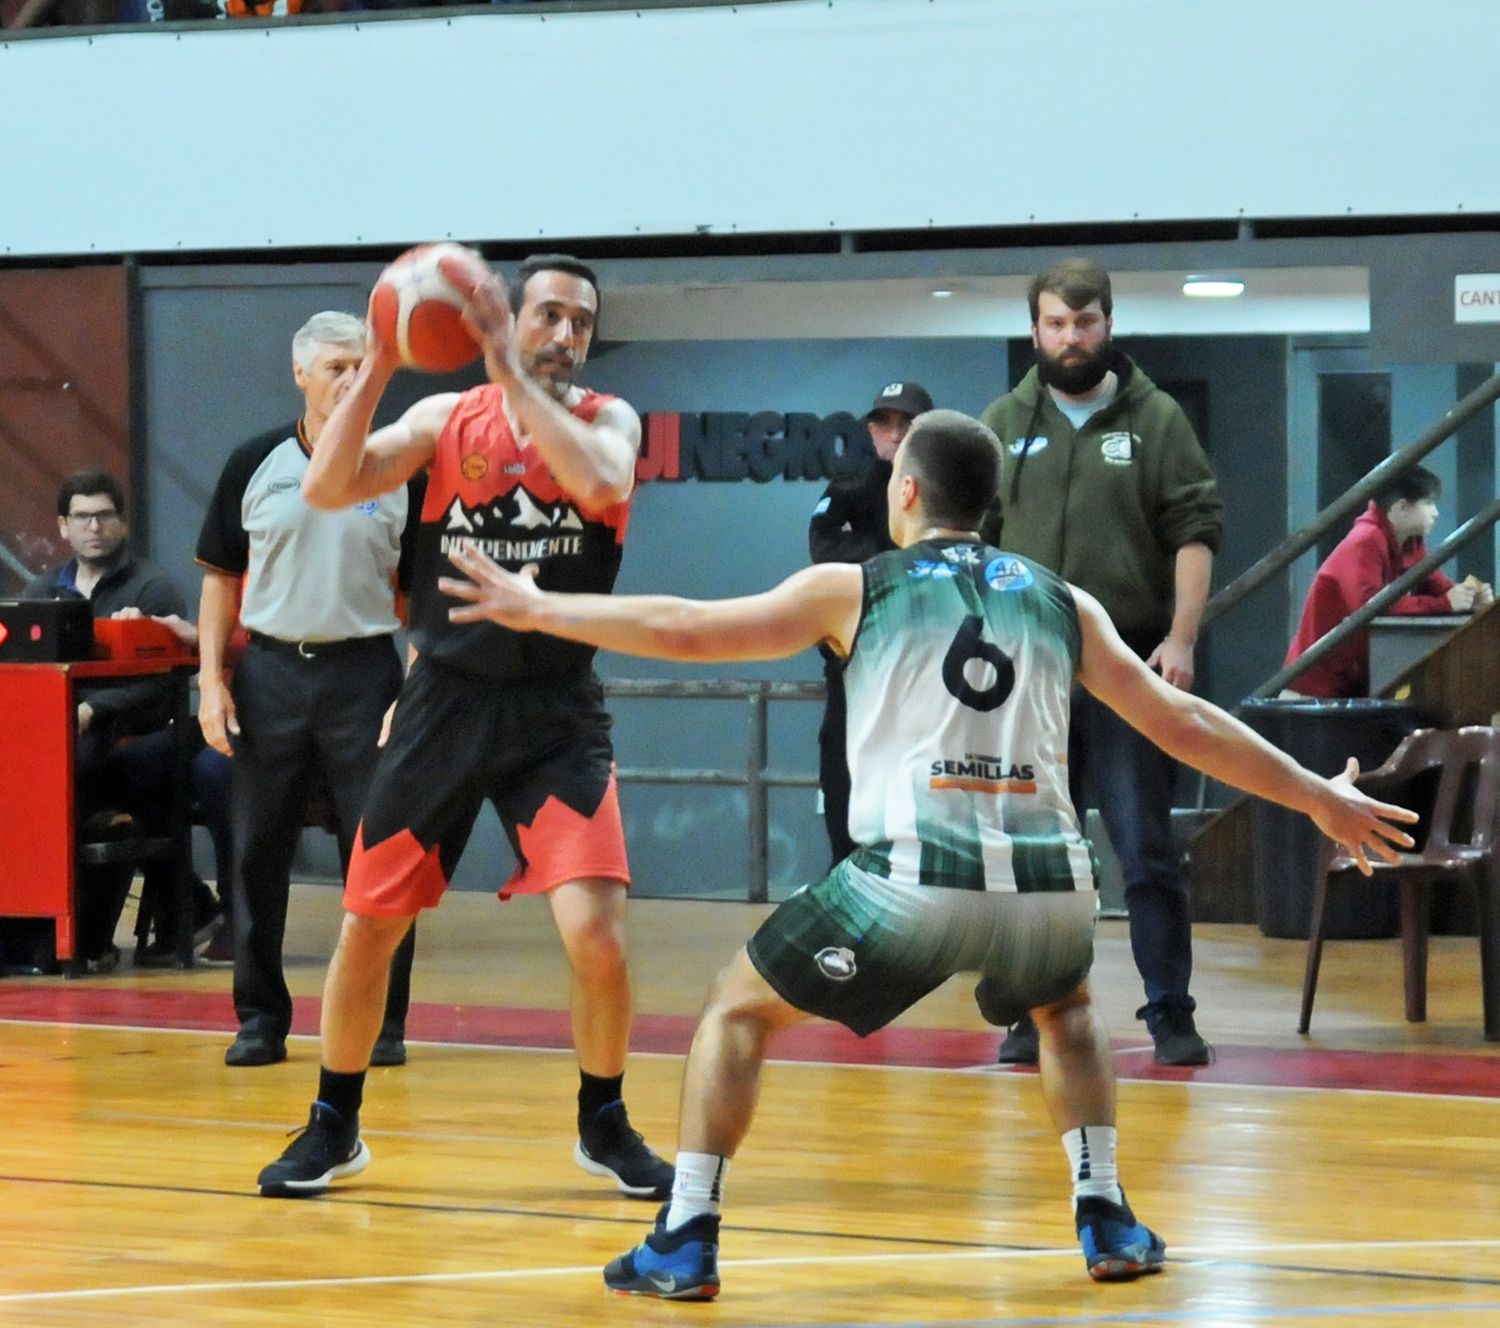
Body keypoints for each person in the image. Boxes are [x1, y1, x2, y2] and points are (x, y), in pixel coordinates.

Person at [439, 409, 1415, 1301]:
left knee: (736, 1009)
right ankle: (1106, 1212)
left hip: (911, 880)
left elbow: (688, 626)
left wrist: (543, 608)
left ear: (904, 491)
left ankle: (686, 1231)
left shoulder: (854, 587)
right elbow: (1181, 720)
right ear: (991, 507)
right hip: (1050, 886)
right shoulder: (1060, 599)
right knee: (1067, 1007)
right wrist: (1320, 794)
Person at [253, 254, 673, 1202]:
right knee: (368, 928)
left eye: (582, 322)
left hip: (556, 711)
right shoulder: (446, 422)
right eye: (549, 317)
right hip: (444, 701)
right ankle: (334, 1124)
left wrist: (502, 365)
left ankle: (602, 1121)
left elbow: (598, 484)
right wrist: (382, 363)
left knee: (597, 935)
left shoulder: (610, 419)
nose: (567, 335)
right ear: (508, 318)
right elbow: (328, 488)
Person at [979, 258, 1223, 1067]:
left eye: (1084, 323)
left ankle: (1170, 1014)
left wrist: (1181, 639)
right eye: (1055, 324)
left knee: (1144, 847)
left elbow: (1196, 531)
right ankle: (1032, 1011)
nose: (1070, 338)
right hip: (1027, 680)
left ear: (1108, 324)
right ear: (1036, 328)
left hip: (1126, 675)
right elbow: (969, 545)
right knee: (1034, 853)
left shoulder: (1156, 421)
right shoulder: (1002, 422)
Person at [196, 311, 420, 1068]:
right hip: (270, 674)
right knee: (257, 850)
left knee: (384, 853)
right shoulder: (254, 462)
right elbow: (220, 582)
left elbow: (424, 601)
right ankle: (260, 1020)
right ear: (301, 374)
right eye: (336, 368)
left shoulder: (396, 466)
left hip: (366, 673)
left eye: (364, 367)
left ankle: (381, 1025)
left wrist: (411, 692)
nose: (353, 381)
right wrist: (210, 683)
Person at [17, 470, 224, 971]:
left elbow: (159, 681)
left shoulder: (153, 589)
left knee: (90, 778)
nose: (94, 526)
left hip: (140, 733)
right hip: (58, 735)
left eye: (105, 515)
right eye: (83, 517)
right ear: (63, 527)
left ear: (123, 524)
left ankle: (75, 936)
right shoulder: (41, 590)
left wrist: (92, 709)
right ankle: (43, 927)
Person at [808, 380, 933, 864]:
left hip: (924, 660)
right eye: (887, 424)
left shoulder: (944, 486)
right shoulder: (848, 483)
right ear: (872, 429)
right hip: (854, 660)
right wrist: (890, 557)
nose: (897, 435)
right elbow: (824, 550)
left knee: (920, 772)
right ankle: (845, 874)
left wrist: (867, 560)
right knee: (842, 768)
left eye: (909, 424)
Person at [1282, 464, 1493, 697]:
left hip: (1353, 681)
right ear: (1401, 507)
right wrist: (1446, 603)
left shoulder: (1410, 542)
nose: (1436, 513)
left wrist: (1471, 598)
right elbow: (1370, 605)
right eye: (1428, 503)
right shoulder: (1365, 541)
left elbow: (1438, 585)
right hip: (1316, 688)